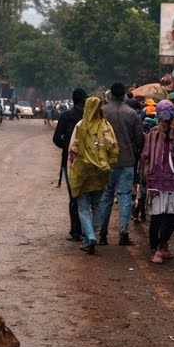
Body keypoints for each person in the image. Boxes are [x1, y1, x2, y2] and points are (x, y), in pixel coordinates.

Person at [68, 96, 119, 254]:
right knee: (97, 205)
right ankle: (92, 234)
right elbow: (113, 148)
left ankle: (89, 236)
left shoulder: (81, 125)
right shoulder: (106, 126)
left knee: (83, 207)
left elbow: (73, 149)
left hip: (83, 172)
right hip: (101, 173)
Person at [97, 82, 144, 246]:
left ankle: (102, 233)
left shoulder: (102, 111)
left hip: (106, 162)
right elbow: (139, 140)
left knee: (105, 197)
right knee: (124, 197)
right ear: (124, 95)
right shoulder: (132, 113)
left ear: (110, 95)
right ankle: (123, 233)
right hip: (126, 161)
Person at [142, 100, 174, 263]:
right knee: (168, 216)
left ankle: (156, 249)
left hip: (154, 181)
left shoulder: (152, 132)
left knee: (156, 216)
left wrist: (147, 174)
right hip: (169, 182)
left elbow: (145, 156)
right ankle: (161, 247)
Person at [53, 88, 87, 240]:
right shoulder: (89, 117)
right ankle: (88, 230)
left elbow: (56, 138)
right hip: (89, 161)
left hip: (70, 161)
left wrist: (67, 147)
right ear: (85, 99)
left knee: (74, 197)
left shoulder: (66, 116)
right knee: (86, 196)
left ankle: (75, 232)